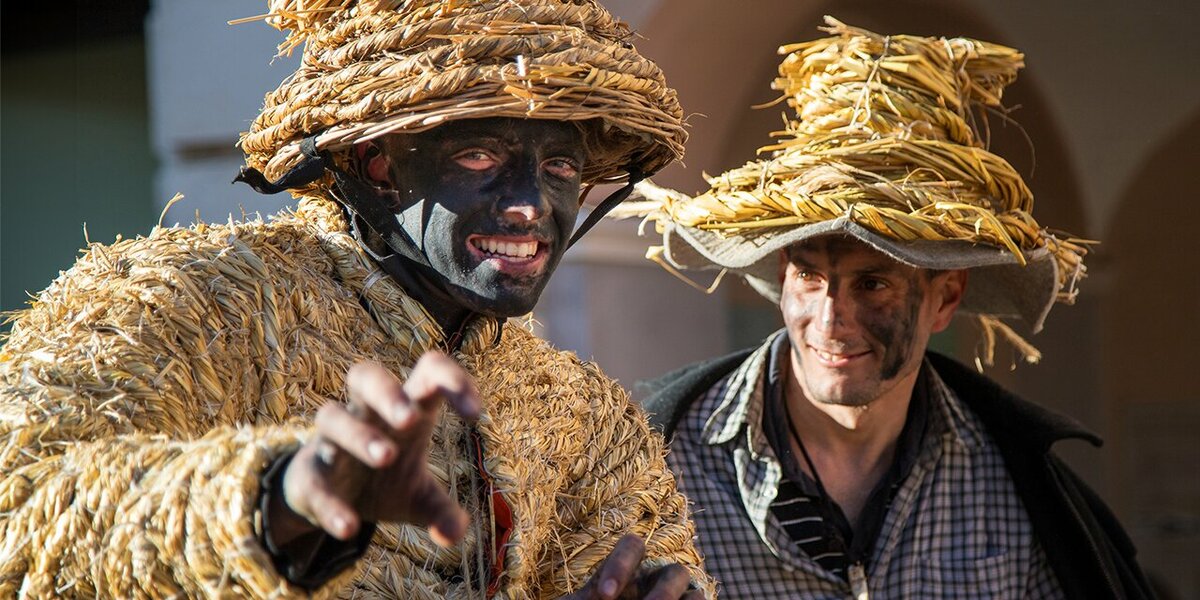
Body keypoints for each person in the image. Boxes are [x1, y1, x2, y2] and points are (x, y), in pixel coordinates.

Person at [0, 1, 714, 598]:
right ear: (378, 166)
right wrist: (278, 499)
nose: (531, 207)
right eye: (481, 156)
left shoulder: (588, 417)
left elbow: (654, 564)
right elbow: (18, 504)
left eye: (558, 165)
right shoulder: (186, 303)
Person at [623, 18, 1154, 599]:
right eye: (810, 276)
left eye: (872, 284)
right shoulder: (658, 464)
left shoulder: (1017, 484)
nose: (830, 319)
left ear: (945, 298)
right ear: (783, 278)